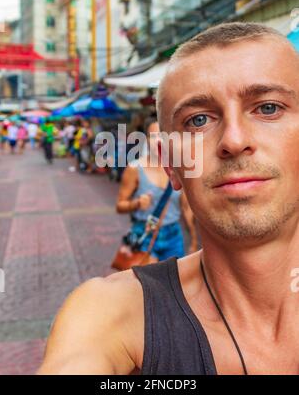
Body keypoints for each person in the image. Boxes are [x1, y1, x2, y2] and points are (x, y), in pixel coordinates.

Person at [37, 22, 299, 375]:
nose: (234, 140)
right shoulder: (113, 313)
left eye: (268, 108)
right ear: (169, 163)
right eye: (199, 119)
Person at [116, 118, 198, 261]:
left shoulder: (178, 170)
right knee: (148, 282)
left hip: (173, 236)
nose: (158, 141)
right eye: (153, 136)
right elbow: (120, 205)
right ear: (146, 140)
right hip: (145, 233)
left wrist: (194, 240)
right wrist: (135, 204)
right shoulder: (135, 168)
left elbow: (186, 208)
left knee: (174, 281)